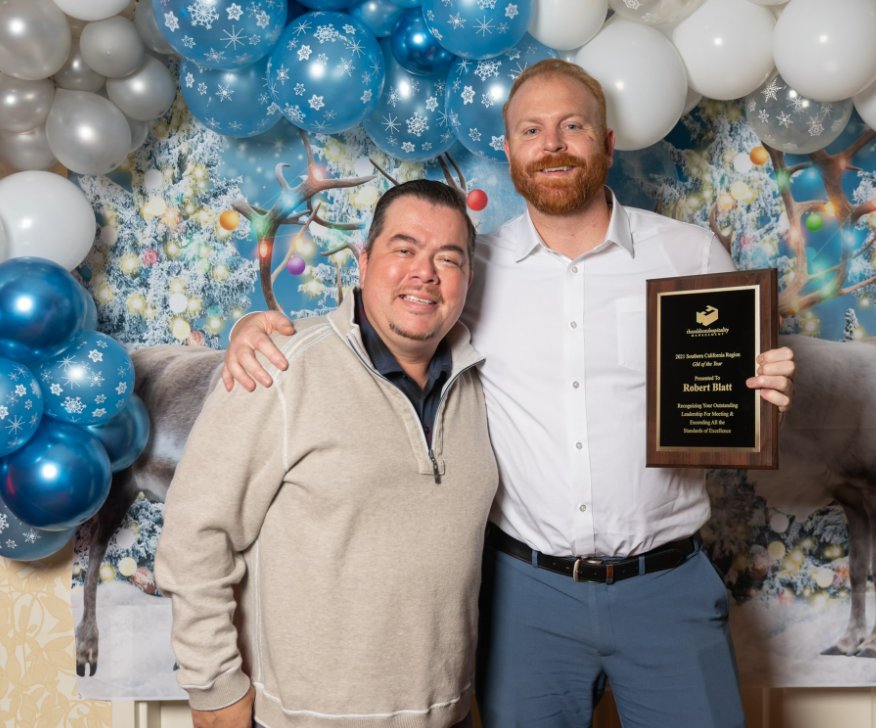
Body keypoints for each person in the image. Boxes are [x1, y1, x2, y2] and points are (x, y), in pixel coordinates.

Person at [222, 60, 796, 728]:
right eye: (531, 130)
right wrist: (252, 327)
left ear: (607, 144)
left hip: (666, 586)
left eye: (572, 126)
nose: (551, 144)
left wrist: (768, 393)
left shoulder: (689, 255)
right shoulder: (470, 269)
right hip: (525, 598)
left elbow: (735, 396)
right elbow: (376, 324)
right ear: (509, 149)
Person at [155, 180, 498, 728]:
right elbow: (196, 533)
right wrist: (214, 687)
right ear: (363, 262)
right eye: (404, 249)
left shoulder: (480, 384)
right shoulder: (279, 369)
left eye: (448, 259)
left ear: (467, 282)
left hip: (446, 713)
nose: (425, 273)